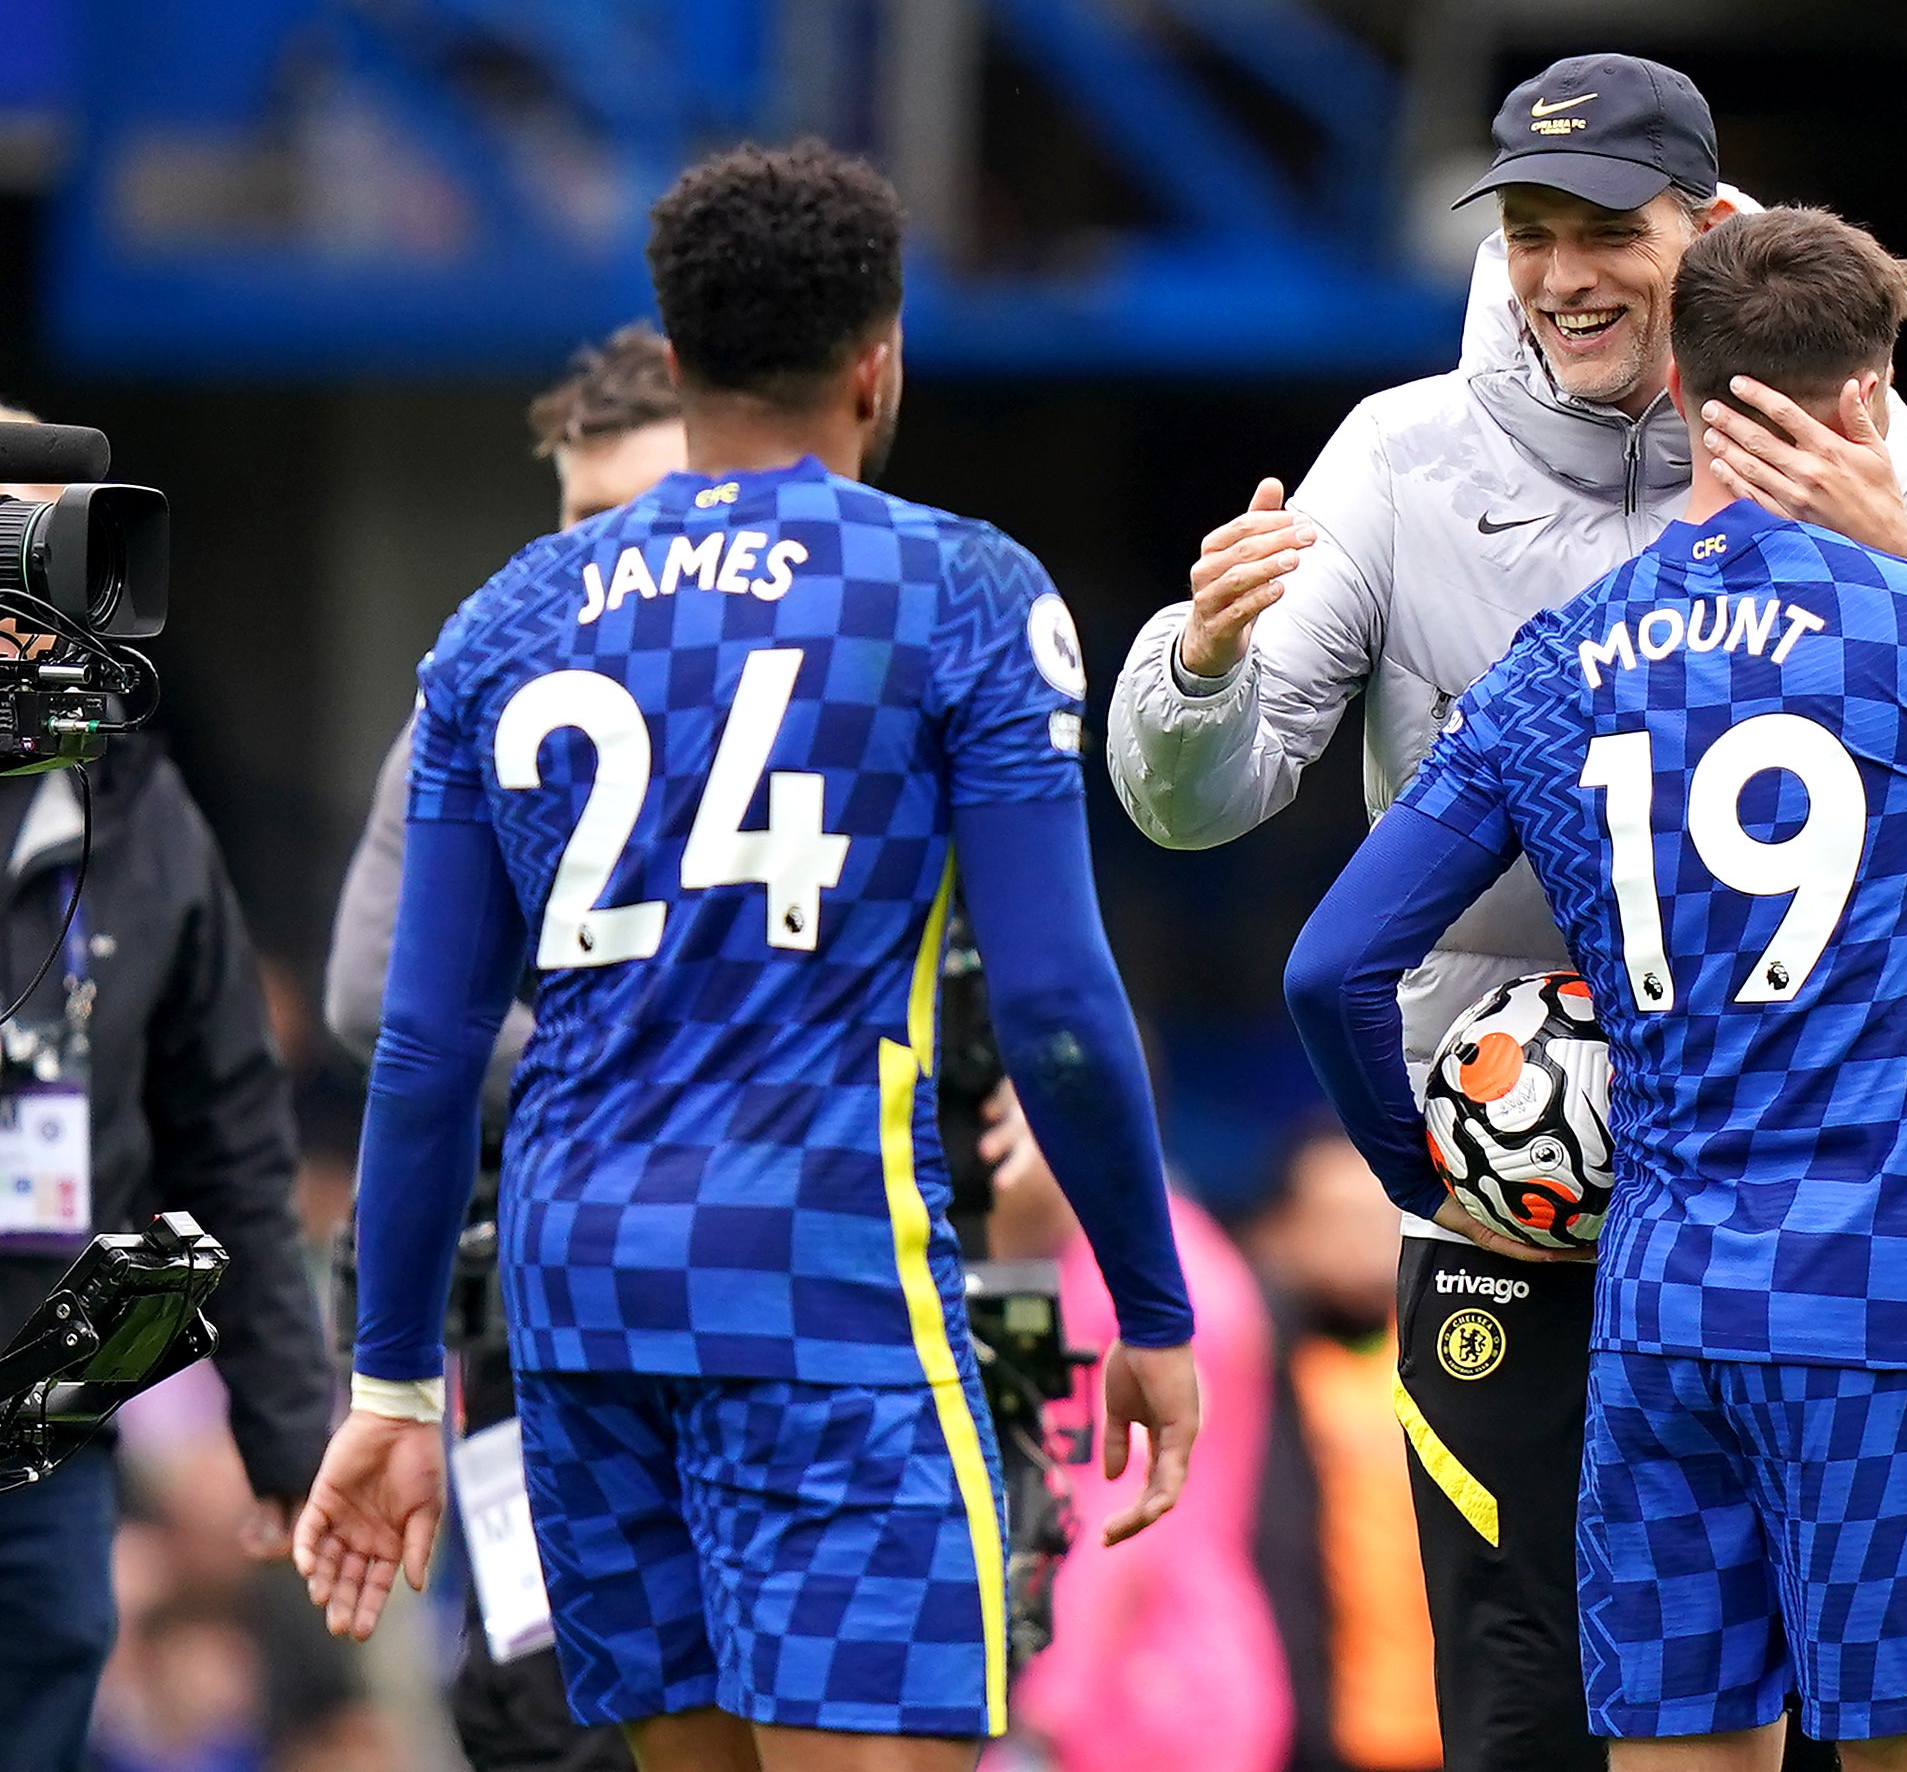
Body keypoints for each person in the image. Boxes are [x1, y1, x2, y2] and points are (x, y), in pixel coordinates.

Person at [290, 140, 1202, 1772]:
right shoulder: (963, 591)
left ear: (678, 350)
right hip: (827, 1286)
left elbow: (423, 1048)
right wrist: (1150, 1302)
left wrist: (395, 1387)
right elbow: (1057, 1000)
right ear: (880, 359)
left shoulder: (501, 624)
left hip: (578, 1311)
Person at [1109, 52, 1907, 1772]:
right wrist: (1195, 660)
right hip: (1523, 1195)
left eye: (1604, 229)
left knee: (1820, 1705)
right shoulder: (1397, 456)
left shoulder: (1855, 440)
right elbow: (1192, 801)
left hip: (1788, 1197)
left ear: (1707, 224)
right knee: (1527, 1697)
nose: (1559, 271)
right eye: (1527, 230)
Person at [1285, 207, 1907, 1771]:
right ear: (1867, 401)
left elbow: (1332, 967)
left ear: (1677, 380)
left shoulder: (1553, 660)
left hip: (1657, 1300)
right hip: (1886, 1292)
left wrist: (1438, 1176)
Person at [323, 320, 686, 1772]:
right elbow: (367, 996)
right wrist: (643, 1073)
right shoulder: (475, 700)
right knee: (551, 1711)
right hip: (530, 1304)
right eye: (578, 518)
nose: (602, 555)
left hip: (778, 1298)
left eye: (640, 514)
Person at [0, 413, 333, 1771]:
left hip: (43, 1412)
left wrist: (289, 1433)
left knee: (53, 1664)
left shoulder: (138, 810)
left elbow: (233, 1148)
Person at [983, 1082, 1290, 1772]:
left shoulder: (1161, 1285)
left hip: (1151, 1699)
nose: (981, 1150)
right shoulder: (1100, 1258)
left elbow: (1130, 1514)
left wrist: (1041, 1722)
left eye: (1002, 1123)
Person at [1244, 1119, 1445, 1772]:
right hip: (1313, 1728)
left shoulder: (1454, 1368)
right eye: (1334, 1219)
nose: (1359, 1243)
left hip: (1445, 1727)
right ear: (1283, 1232)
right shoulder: (1256, 1370)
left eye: (1377, 1217)